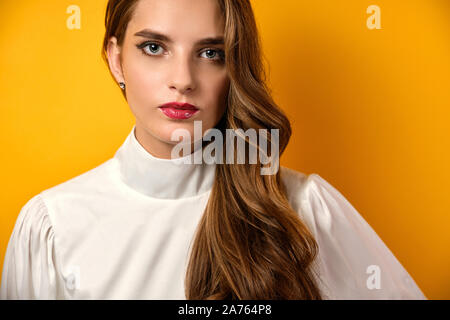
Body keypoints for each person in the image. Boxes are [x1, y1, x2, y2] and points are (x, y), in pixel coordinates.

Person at [0, 0, 426, 300]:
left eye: (210, 53)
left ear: (234, 66)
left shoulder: (300, 208)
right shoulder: (51, 227)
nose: (183, 79)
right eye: (154, 47)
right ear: (116, 59)